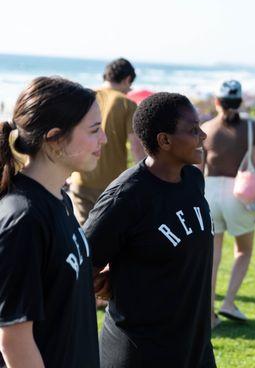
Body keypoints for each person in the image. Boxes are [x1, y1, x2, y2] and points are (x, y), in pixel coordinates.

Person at [85, 93, 216, 367]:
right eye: (193, 130)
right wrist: (105, 281)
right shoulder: (126, 197)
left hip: (195, 347)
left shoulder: (192, 179)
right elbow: (78, 270)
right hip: (140, 352)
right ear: (164, 140)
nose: (203, 135)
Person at [0, 77, 106, 367]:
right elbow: (14, 340)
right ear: (55, 138)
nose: (104, 139)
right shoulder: (23, 218)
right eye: (95, 130)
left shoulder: (61, 199)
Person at [201, 80, 255, 328]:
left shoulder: (206, 128)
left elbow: (198, 170)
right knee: (244, 250)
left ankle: (208, 316)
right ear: (240, 102)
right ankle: (228, 301)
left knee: (212, 258)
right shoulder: (251, 128)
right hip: (240, 194)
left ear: (216, 101)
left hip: (209, 193)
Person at [69, 57, 145, 226]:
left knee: (84, 234)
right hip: (111, 185)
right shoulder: (126, 103)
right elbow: (136, 148)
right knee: (110, 238)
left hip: (79, 179)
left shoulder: (83, 96)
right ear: (127, 80)